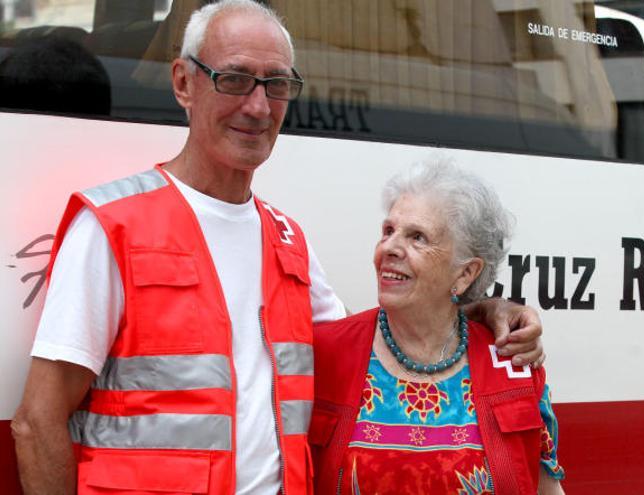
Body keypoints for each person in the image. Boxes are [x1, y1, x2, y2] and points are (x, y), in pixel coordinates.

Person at [10, 2, 544, 494]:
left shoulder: (286, 240)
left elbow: (368, 346)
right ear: (183, 83)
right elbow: (37, 422)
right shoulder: (114, 226)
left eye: (277, 85)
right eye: (235, 79)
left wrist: (473, 310)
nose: (259, 106)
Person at [310, 159, 565, 494]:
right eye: (388, 231)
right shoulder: (324, 355)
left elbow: (546, 489)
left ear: (465, 273)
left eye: (418, 237)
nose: (389, 248)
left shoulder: (511, 362)